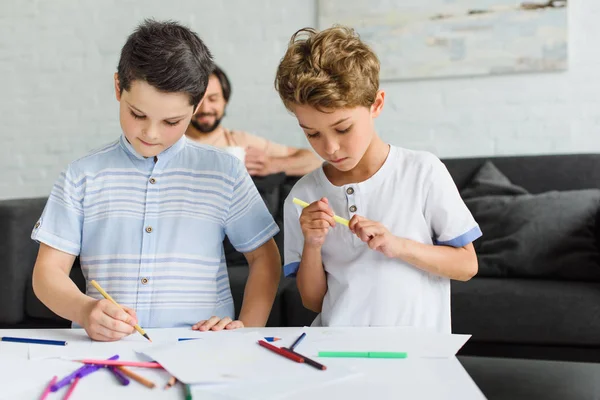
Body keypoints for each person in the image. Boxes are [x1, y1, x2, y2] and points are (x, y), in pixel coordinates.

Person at [31, 20, 281, 341]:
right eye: (138, 114)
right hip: (107, 350)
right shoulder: (83, 175)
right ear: (118, 87)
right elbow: (47, 273)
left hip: (204, 345)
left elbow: (265, 257)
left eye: (171, 121)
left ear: (198, 103)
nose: (151, 134)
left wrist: (247, 329)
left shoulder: (224, 172)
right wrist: (83, 310)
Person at [276, 26, 481, 333]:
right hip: (338, 352)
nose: (329, 148)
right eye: (312, 134)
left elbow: (467, 266)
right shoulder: (304, 195)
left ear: (377, 104)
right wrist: (313, 244)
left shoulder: (422, 171)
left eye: (343, 129)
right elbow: (313, 301)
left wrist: (398, 246)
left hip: (418, 354)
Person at [185, 65, 322, 176]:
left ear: (225, 101)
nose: (205, 108)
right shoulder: (171, 142)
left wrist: (272, 164)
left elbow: (312, 161)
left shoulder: (239, 142)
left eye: (213, 99)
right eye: (199, 100)